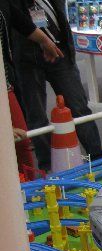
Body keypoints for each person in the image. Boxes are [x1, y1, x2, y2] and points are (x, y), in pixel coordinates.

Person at [11, 0, 102, 172]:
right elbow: (16, 18)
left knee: (79, 108)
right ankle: (48, 167)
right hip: (27, 59)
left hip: (60, 52)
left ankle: (98, 159)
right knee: (36, 115)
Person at [0, 0, 62, 176]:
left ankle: (28, 185)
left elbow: (21, 21)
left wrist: (45, 41)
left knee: (21, 141)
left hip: (5, 84)